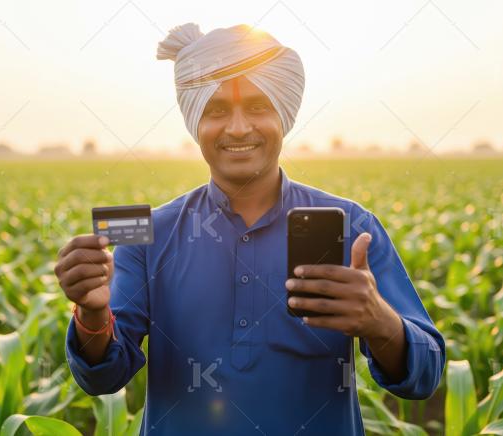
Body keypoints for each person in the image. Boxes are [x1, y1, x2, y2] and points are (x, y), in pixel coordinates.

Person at [56, 22, 445, 435]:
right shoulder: (150, 233)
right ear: (194, 122)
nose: (238, 128)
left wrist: (379, 321)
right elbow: (102, 376)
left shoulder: (354, 227)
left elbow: (424, 377)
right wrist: (93, 313)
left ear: (284, 116)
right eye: (217, 110)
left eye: (258, 107)